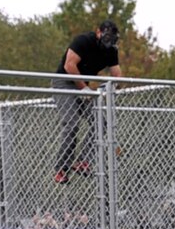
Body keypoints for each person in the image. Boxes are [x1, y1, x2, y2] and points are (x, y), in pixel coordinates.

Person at [52, 20, 124, 185]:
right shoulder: (84, 41)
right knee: (72, 124)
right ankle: (60, 168)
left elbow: (118, 76)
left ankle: (82, 161)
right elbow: (69, 66)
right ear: (98, 32)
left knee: (101, 122)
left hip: (82, 85)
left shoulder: (111, 51)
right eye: (106, 37)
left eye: (112, 39)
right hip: (64, 82)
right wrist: (83, 88)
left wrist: (111, 86)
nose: (108, 42)